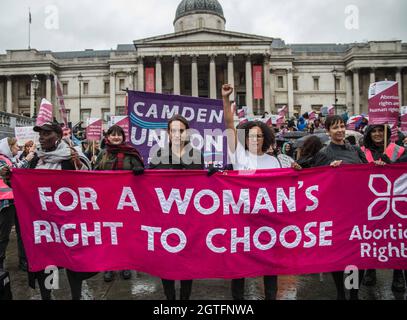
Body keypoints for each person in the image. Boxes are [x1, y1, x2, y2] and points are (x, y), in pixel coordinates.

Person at [222, 84, 300, 300]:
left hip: (267, 222)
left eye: (258, 136)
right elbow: (229, 124)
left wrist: (296, 172)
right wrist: (225, 99)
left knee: (269, 267)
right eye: (250, 136)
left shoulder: (274, 161)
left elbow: (286, 190)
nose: (254, 140)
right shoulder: (238, 156)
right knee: (239, 268)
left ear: (265, 138)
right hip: (242, 221)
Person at [25, 122, 98, 300]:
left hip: (68, 221)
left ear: (58, 136)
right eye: (40, 134)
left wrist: (79, 165)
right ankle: (48, 295)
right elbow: (26, 187)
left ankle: (76, 296)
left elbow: (89, 184)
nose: (41, 137)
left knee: (73, 262)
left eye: (46, 133)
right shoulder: (35, 159)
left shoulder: (71, 157)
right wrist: (13, 180)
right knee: (48, 263)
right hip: (45, 224)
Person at [150, 115, 204, 300]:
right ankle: (170, 299)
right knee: (167, 261)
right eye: (173, 130)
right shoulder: (157, 154)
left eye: (180, 130)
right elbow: (149, 185)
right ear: (168, 133)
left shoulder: (196, 154)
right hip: (165, 218)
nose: (177, 134)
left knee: (187, 261)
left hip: (189, 217)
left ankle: (184, 299)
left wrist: (212, 176)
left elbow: (202, 187)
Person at [314, 115, 368, 300]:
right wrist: (329, 170)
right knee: (338, 256)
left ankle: (353, 293)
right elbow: (316, 182)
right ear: (328, 131)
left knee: (355, 255)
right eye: (335, 127)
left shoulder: (355, 150)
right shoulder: (324, 154)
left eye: (342, 126)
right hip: (335, 213)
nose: (340, 130)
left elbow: (368, 173)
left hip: (356, 211)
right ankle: (340, 293)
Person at [94, 125, 144, 283]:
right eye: (112, 134)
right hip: (107, 202)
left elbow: (143, 172)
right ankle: (108, 267)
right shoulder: (103, 154)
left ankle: (125, 265)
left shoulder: (132, 153)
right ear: (107, 137)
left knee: (125, 234)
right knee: (109, 234)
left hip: (126, 203)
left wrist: (138, 169)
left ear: (123, 137)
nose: (116, 137)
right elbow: (93, 174)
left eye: (119, 135)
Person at [360, 124, 407, 292]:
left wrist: (389, 163)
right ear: (369, 134)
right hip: (370, 203)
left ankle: (398, 274)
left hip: (394, 204)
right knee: (371, 237)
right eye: (374, 131)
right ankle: (370, 269)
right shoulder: (362, 152)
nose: (378, 134)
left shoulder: (398, 150)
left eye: (381, 130)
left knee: (396, 237)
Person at [0, 137, 35, 273]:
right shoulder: (2, 159)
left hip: (16, 200)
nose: (18, 149)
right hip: (6, 201)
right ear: (8, 147)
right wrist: (27, 160)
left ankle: (23, 260)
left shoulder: (10, 158)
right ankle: (1, 261)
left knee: (22, 232)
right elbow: (13, 172)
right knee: (4, 234)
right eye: (15, 147)